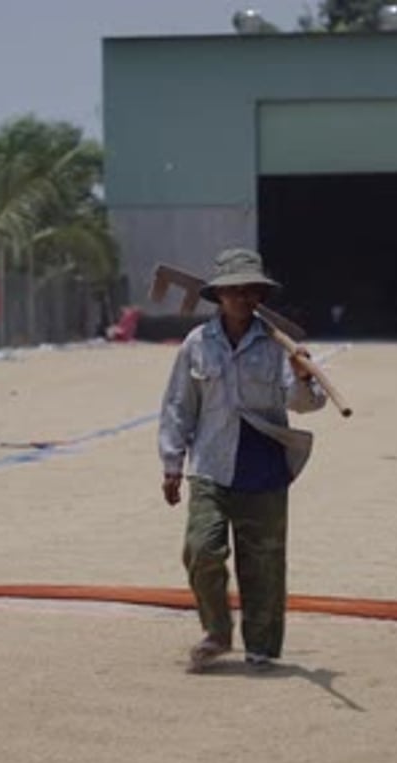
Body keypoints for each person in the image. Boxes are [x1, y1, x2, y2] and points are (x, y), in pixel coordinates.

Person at [158, 248, 327, 673]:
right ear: (219, 297)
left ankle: (262, 645)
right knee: (201, 549)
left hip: (265, 467)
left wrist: (304, 375)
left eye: (250, 290)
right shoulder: (198, 344)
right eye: (233, 291)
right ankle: (216, 632)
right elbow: (179, 405)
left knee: (264, 562)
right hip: (211, 466)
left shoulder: (276, 347)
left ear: (259, 296)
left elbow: (306, 405)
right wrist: (172, 463)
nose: (241, 297)